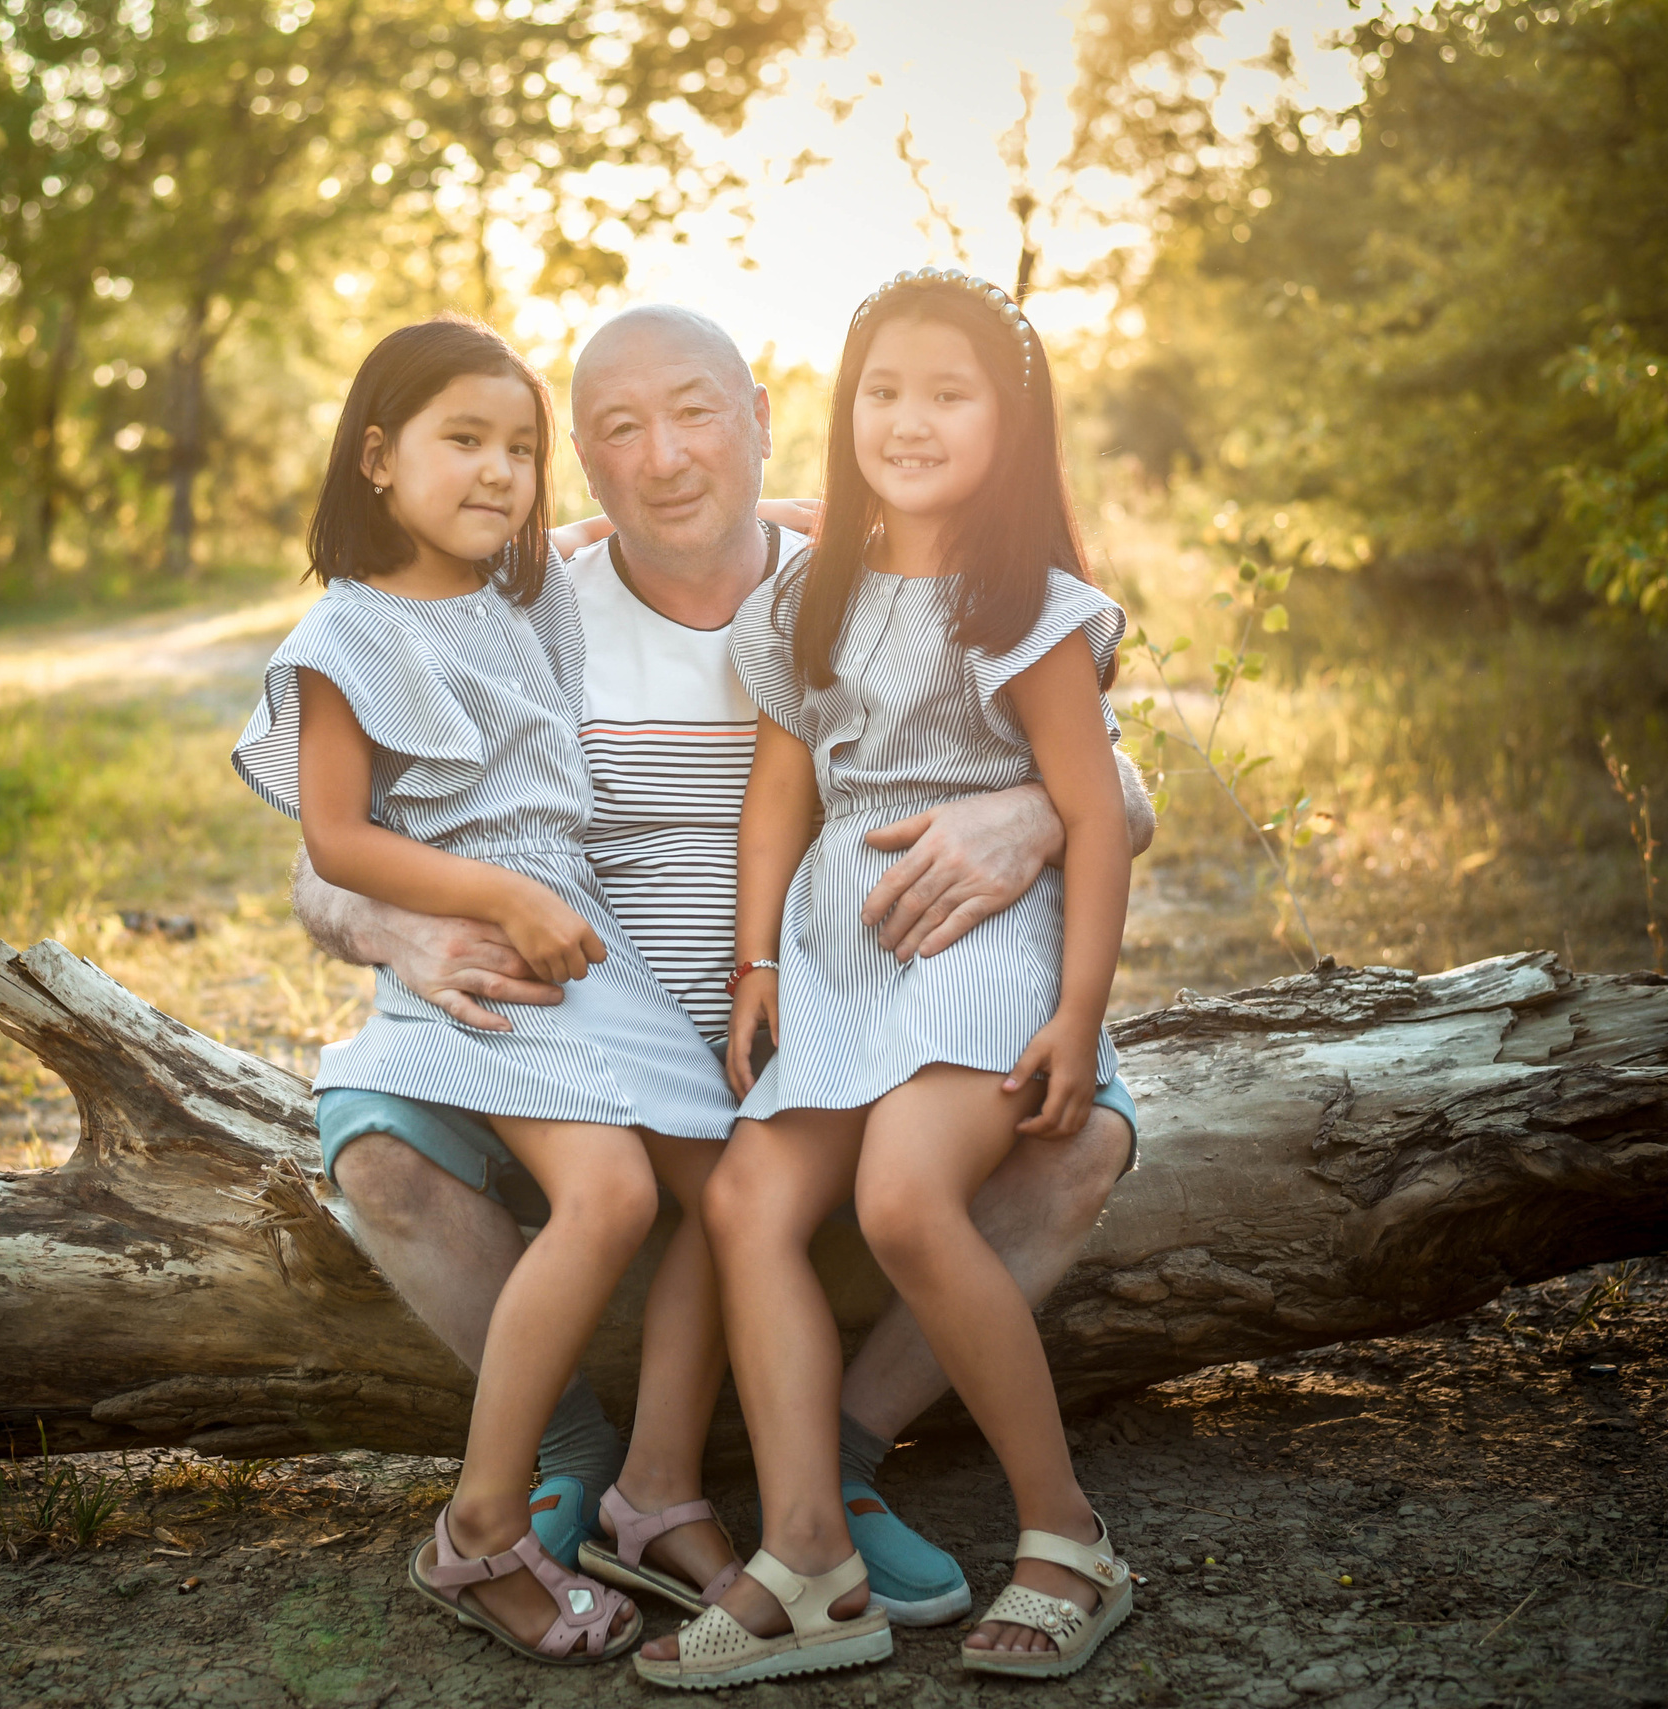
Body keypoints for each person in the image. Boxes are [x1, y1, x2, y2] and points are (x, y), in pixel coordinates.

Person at [293, 303, 1153, 1627]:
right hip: (582, 1018)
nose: (668, 457)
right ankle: (572, 1456)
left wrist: (1029, 811)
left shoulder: (858, 574)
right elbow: (334, 847)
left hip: (834, 1005)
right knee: (382, 1156)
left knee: (1074, 1139)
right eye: (620, 431)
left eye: (699, 412)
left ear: (762, 416)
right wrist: (398, 926)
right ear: (578, 458)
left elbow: (1102, 774)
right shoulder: (527, 606)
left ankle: (842, 1465)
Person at [637, 270, 1138, 1689]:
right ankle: (813, 1560)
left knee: (905, 1194)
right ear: (843, 405)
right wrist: (750, 961)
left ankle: (1067, 1537)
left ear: (1011, 417)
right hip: (835, 948)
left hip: (985, 943)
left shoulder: (1026, 603)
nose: (908, 420)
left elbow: (1093, 815)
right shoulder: (814, 595)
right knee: (745, 1195)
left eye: (948, 392)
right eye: (883, 389)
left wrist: (1078, 1013)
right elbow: (774, 799)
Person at [230, 316, 738, 1665]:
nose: (502, 470)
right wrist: (500, 896)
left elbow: (698, 521)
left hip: (579, 933)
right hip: (490, 938)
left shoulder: (526, 594)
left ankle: (656, 1486)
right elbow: (338, 839)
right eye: (467, 440)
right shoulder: (348, 633)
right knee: (617, 1190)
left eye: (523, 446)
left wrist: (848, 515)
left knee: (736, 1188)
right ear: (380, 456)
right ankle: (480, 1524)